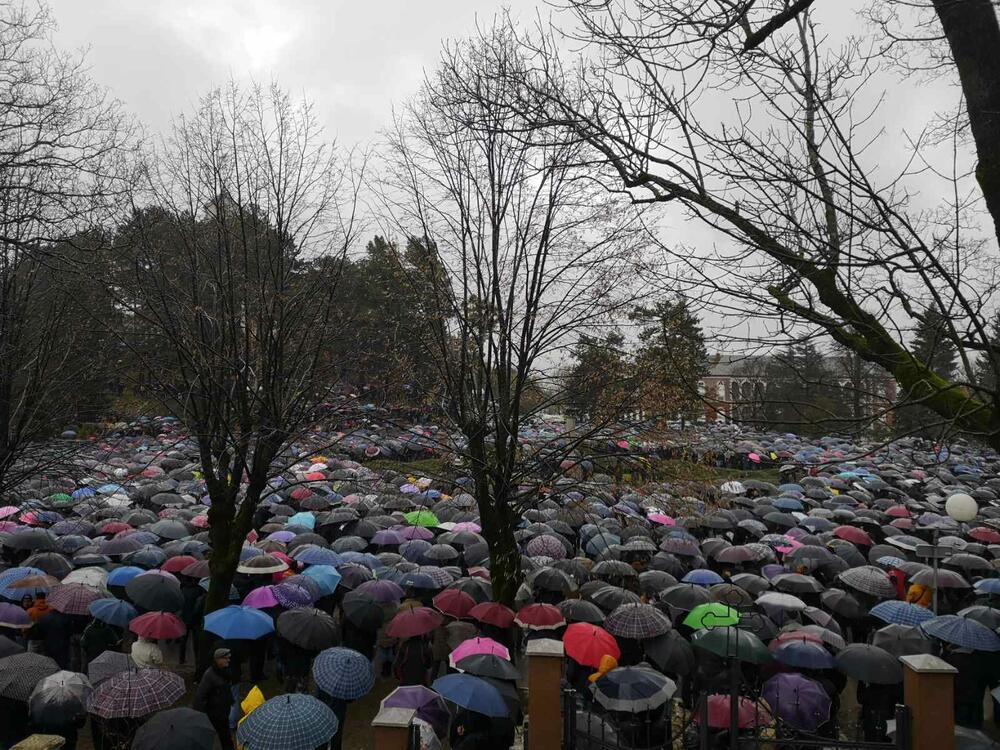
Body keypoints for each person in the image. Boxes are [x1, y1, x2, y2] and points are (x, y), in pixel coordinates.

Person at [194, 648, 235, 750]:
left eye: (229, 658)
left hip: (223, 711)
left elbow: (226, 689)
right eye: (226, 658)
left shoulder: (225, 671)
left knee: (226, 737)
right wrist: (200, 714)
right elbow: (200, 696)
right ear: (218, 659)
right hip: (214, 713)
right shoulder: (209, 675)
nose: (228, 660)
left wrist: (230, 700)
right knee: (213, 737)